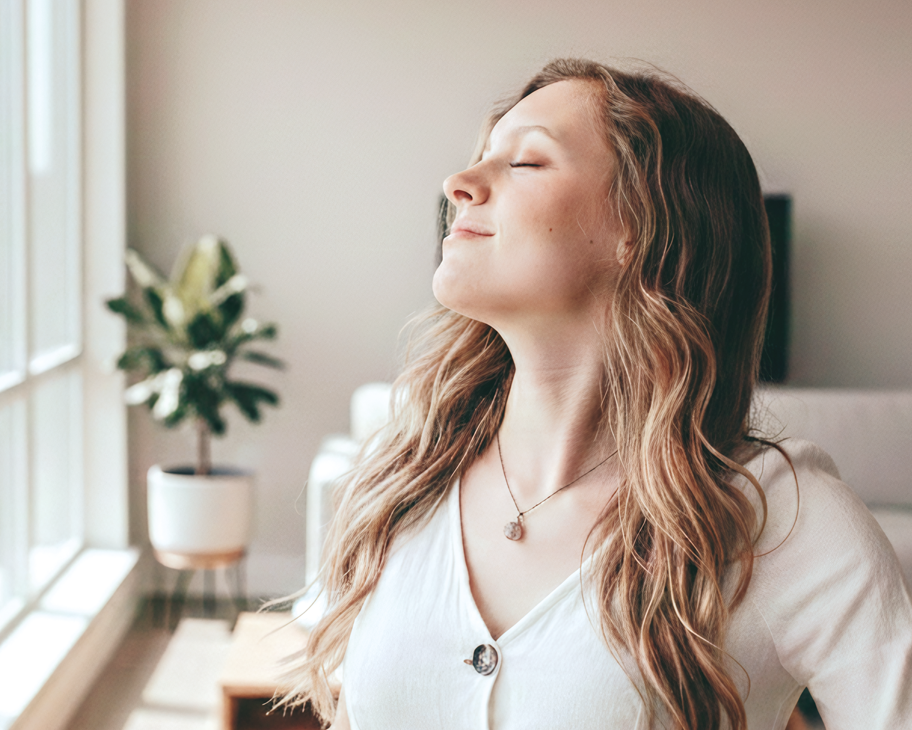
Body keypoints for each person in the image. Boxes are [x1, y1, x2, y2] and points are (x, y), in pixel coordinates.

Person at [280, 59, 912, 729]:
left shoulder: (778, 519)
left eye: (526, 163)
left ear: (640, 228)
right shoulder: (403, 480)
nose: (458, 183)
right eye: (483, 157)